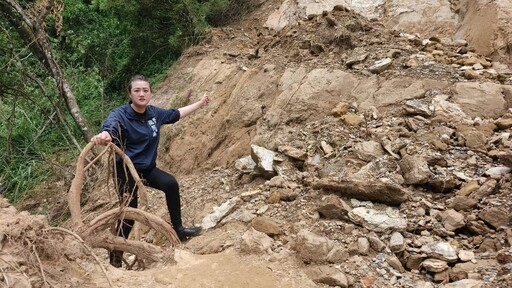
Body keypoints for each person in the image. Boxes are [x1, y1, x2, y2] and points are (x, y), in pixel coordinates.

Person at [90, 75, 209, 267]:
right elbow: (109, 128)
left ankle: (178, 229)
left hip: (147, 168)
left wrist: (200, 103)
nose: (142, 94)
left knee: (170, 184)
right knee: (130, 211)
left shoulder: (154, 113)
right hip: (126, 172)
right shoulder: (120, 114)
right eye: (137, 90)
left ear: (151, 93)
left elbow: (176, 114)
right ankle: (116, 254)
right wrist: (105, 136)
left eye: (145, 90)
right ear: (130, 94)